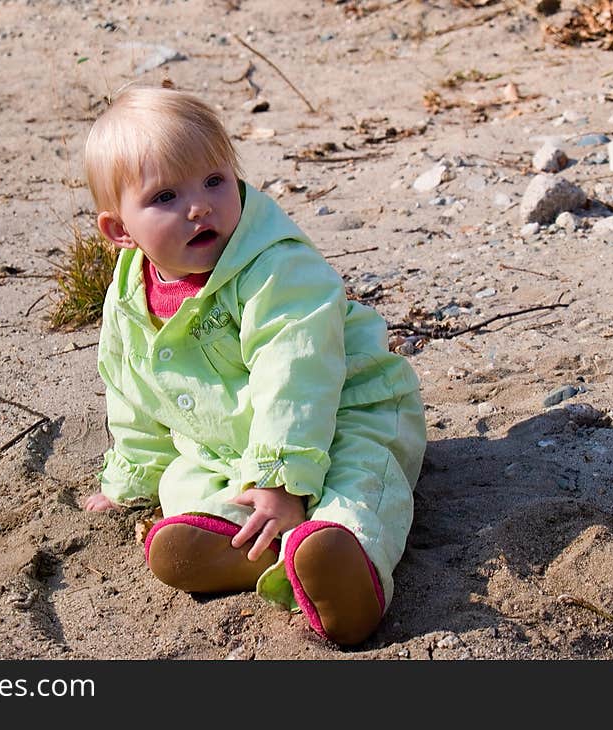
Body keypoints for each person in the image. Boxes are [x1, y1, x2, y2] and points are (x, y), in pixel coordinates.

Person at [82, 85, 426, 646]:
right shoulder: (127, 297)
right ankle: (242, 546)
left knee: (363, 482)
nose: (200, 206)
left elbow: (297, 372)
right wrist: (132, 478)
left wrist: (280, 478)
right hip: (228, 443)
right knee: (182, 479)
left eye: (215, 181)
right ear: (121, 231)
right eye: (166, 196)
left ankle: (347, 568)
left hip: (345, 412)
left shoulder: (277, 268)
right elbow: (130, 391)